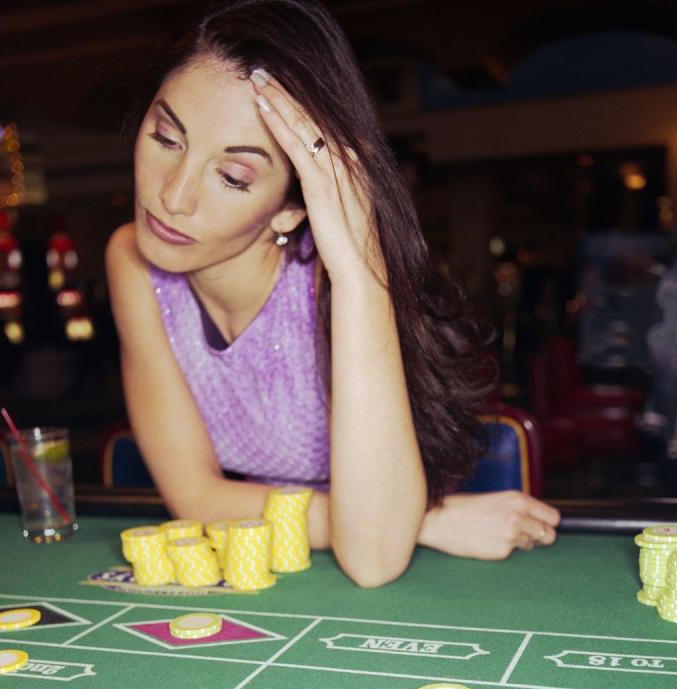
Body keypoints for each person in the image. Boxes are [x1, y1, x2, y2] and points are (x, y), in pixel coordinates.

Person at [106, 0, 560, 587]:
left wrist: (357, 271)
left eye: (233, 177)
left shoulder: (328, 280)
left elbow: (372, 560)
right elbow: (193, 495)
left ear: (293, 206)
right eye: (167, 138)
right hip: (341, 549)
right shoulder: (132, 261)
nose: (174, 196)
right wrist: (423, 522)